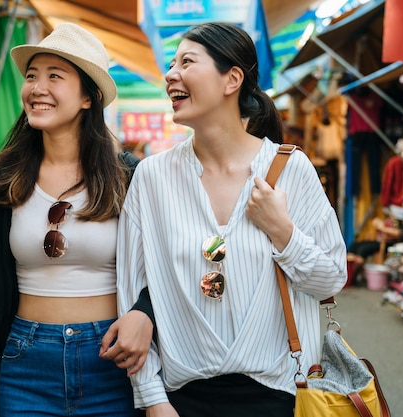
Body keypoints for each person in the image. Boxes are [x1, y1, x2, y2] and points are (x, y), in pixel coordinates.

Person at [113, 22, 347, 417]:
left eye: (186, 62)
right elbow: (131, 288)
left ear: (232, 79)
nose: (171, 75)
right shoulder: (152, 177)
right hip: (179, 397)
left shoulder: (290, 168)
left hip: (278, 395)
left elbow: (331, 279)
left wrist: (283, 232)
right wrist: (152, 398)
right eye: (171, 65)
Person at [0, 23, 153, 417]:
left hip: (111, 359)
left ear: (87, 98)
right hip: (25, 361)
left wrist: (144, 312)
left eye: (54, 76)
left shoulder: (129, 177)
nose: (36, 88)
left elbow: (162, 269)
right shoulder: (1, 182)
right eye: (31, 76)